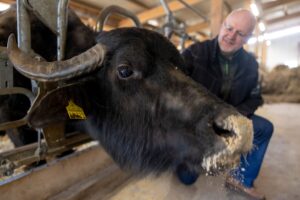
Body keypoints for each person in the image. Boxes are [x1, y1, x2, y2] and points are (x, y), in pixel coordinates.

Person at [179, 9, 273, 200]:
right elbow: (173, 87)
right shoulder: (195, 53)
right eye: (229, 28)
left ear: (247, 39)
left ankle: (241, 179)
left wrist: (236, 117)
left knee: (264, 128)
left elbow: (255, 98)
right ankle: (184, 154)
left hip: (229, 118)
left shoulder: (250, 65)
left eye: (240, 33)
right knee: (187, 178)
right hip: (197, 121)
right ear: (222, 25)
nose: (231, 36)